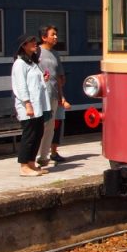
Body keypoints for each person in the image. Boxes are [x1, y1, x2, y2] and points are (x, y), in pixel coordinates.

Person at [11, 34, 51, 176]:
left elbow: (35, 84)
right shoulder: (20, 63)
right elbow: (21, 86)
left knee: (38, 133)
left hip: (38, 105)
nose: (35, 44)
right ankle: (24, 166)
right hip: (28, 106)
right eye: (31, 42)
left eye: (35, 41)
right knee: (29, 135)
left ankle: (31, 163)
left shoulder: (32, 63)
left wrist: (43, 79)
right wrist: (27, 104)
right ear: (24, 45)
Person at [36, 25, 71, 166]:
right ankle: (36, 155)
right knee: (41, 126)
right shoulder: (37, 52)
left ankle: (45, 156)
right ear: (44, 37)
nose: (56, 37)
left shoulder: (55, 54)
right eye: (53, 34)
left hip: (54, 94)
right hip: (41, 95)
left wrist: (62, 96)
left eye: (56, 34)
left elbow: (58, 77)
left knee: (51, 127)